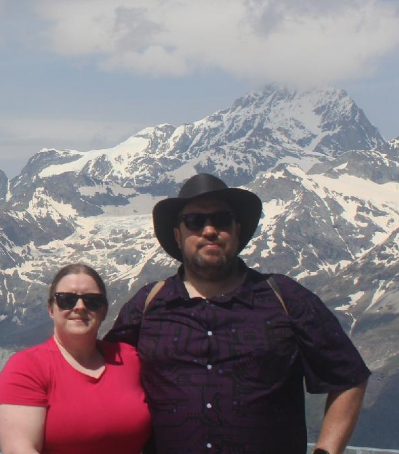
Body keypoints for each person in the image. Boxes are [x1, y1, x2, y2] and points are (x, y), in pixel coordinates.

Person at [105, 173, 370, 454]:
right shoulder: (147, 305)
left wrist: (326, 451)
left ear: (237, 229)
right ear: (177, 235)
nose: (209, 230)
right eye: (195, 221)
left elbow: (349, 376)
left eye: (221, 220)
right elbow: (96, 370)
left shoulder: (285, 298)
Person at [0, 263, 151, 454]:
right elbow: (19, 449)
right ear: (51, 309)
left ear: (104, 310)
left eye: (92, 301)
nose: (79, 307)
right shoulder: (26, 368)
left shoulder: (131, 359)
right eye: (66, 300)